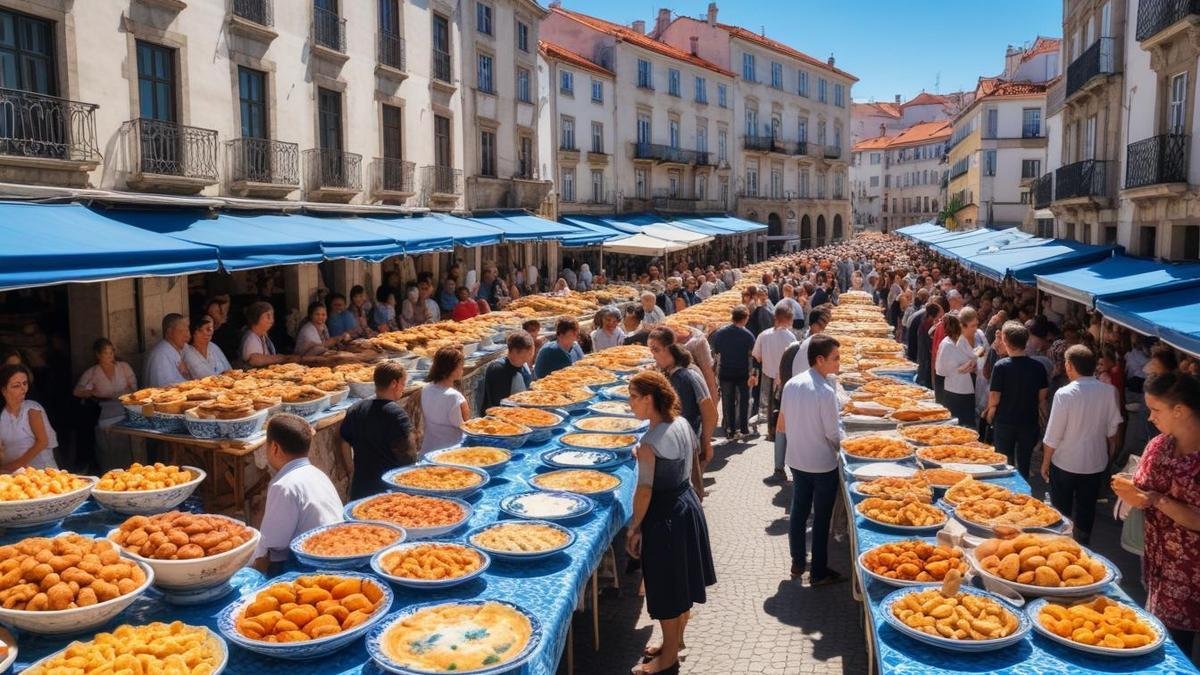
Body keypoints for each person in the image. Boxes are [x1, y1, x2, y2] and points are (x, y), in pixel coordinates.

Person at [624, 370, 716, 675]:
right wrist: (698, 495)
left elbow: (645, 490)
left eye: (634, 397)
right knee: (682, 582)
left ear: (649, 399)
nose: (630, 403)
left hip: (664, 516)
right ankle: (674, 643)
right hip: (686, 506)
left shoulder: (650, 442)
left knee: (666, 589)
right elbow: (693, 464)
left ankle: (669, 657)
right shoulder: (682, 423)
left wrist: (634, 527)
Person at [1111, 371, 1200, 663]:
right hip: (1160, 571)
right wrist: (1129, 488)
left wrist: (1155, 500)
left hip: (1192, 574)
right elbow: (1142, 485)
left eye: (1156, 410)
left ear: (1180, 410)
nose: (1150, 417)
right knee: (1171, 650)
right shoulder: (1160, 445)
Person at [777, 334, 845, 586]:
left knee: (798, 510)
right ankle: (818, 570)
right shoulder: (826, 392)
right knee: (821, 517)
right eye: (835, 359)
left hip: (797, 458)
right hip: (821, 462)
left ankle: (797, 560)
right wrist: (845, 447)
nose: (839, 363)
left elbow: (784, 420)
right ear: (819, 360)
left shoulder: (792, 384)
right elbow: (833, 434)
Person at [1040, 345, 1121, 545]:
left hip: (1065, 462)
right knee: (1087, 508)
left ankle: (1060, 543)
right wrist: (1109, 455)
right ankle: (1083, 545)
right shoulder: (1109, 392)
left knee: (1061, 509)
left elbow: (1053, 435)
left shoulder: (1064, 394)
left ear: (1070, 366)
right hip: (1095, 462)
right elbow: (1113, 432)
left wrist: (1045, 462)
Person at [252, 414, 344, 572]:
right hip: (336, 551)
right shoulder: (317, 474)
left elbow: (274, 542)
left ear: (274, 448)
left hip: (308, 565)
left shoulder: (284, 486)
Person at [648, 327, 715, 498]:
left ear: (670, 348)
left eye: (656, 350)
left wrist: (706, 443)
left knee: (688, 492)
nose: (653, 355)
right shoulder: (671, 372)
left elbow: (710, 413)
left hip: (686, 443)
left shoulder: (687, 375)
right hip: (680, 442)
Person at [339, 362, 416, 500]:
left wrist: (351, 471)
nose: (403, 389)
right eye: (403, 384)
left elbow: (344, 441)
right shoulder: (397, 414)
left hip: (361, 489)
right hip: (390, 489)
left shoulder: (355, 409)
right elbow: (408, 454)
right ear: (394, 383)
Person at [985, 321, 1049, 479]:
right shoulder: (1038, 367)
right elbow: (1042, 397)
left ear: (1005, 340)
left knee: (1004, 460)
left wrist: (990, 412)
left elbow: (994, 397)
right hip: (1029, 421)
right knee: (1025, 462)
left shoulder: (1001, 366)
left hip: (1005, 421)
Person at [73, 339, 137, 471]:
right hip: (104, 412)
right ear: (98, 355)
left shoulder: (124, 367)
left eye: (111, 352)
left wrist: (125, 394)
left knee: (126, 448)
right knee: (107, 451)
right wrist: (91, 393)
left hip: (124, 410)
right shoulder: (92, 372)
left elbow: (135, 388)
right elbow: (77, 391)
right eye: (105, 353)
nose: (109, 356)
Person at [751, 305, 798, 459]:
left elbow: (756, 356)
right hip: (785, 375)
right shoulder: (790, 337)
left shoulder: (763, 335)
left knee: (768, 403)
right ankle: (781, 430)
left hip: (768, 373)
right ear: (789, 320)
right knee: (782, 404)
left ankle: (771, 430)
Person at [0, 363, 59, 471]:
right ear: (4, 390)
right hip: (11, 475)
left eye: (25, 383)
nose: (23, 389)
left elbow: (42, 442)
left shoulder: (32, 409)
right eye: (16, 386)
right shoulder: (2, 416)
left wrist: (15, 465)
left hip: (42, 472)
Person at [709, 305, 755, 439]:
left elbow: (716, 352)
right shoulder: (748, 335)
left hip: (725, 372)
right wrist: (753, 374)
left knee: (727, 402)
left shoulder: (720, 333)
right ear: (745, 318)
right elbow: (752, 356)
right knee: (744, 401)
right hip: (742, 373)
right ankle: (744, 428)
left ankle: (730, 429)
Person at [420, 347, 470, 452]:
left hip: (429, 449)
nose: (462, 369)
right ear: (452, 369)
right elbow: (467, 426)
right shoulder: (454, 397)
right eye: (460, 366)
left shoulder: (426, 389)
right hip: (450, 451)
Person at [935, 314, 978, 428]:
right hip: (953, 390)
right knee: (954, 424)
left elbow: (973, 354)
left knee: (967, 423)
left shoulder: (962, 340)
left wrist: (972, 362)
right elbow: (940, 370)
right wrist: (959, 369)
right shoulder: (946, 345)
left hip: (967, 388)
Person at [480, 332, 535, 410]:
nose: (531, 355)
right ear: (514, 351)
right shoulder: (498, 369)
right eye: (528, 353)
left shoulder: (523, 365)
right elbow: (499, 404)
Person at [143, 314, 191, 387]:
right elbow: (164, 389)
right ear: (169, 332)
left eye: (187, 330)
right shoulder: (160, 356)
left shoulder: (182, 349)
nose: (188, 335)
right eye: (181, 331)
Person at [240, 302, 290, 368]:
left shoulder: (262, 335)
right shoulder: (250, 339)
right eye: (268, 316)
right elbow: (254, 361)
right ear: (256, 317)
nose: (272, 320)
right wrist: (282, 358)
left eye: (272, 316)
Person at [790, 307, 831, 377]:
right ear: (812, 325)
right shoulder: (807, 346)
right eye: (821, 325)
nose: (824, 329)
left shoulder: (821, 340)